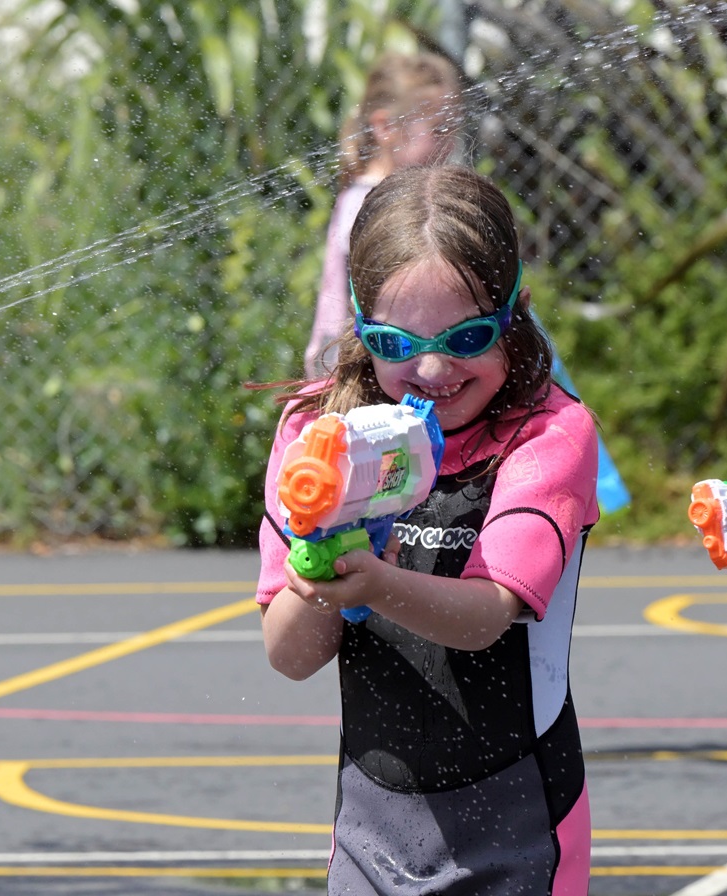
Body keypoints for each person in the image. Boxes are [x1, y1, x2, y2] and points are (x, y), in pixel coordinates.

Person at [256, 166, 597, 894]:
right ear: (357, 324)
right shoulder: (317, 435)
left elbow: (484, 620)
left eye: (468, 336)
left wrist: (373, 580)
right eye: (396, 341)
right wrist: (318, 571)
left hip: (519, 827)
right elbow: (289, 655)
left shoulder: (547, 436)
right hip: (369, 834)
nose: (433, 367)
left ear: (516, 312)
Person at [305, 52, 463, 379]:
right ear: (386, 127)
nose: (451, 142)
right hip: (355, 372)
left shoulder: (378, 196)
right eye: (439, 129)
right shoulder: (365, 204)